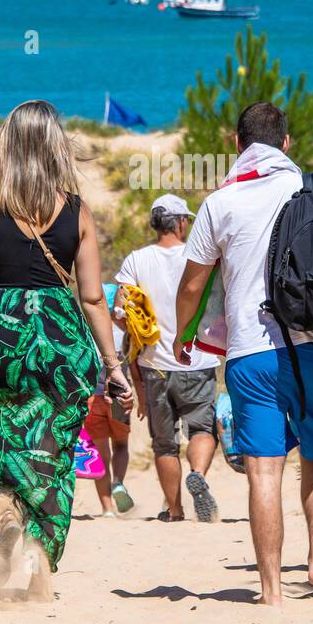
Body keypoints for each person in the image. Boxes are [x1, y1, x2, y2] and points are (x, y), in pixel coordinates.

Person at [173, 103, 313, 606]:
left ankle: (271, 591)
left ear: (236, 143)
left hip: (251, 352)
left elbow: (192, 284)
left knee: (264, 469)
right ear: (287, 144)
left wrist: (184, 333)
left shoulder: (220, 202)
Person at [0, 100, 131, 598]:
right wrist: (114, 366)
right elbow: (91, 297)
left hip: (1, 337)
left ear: (7, 143)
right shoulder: (76, 209)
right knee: (55, 448)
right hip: (62, 342)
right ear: (56, 147)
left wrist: (2, 306)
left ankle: (7, 513)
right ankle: (40, 569)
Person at [114, 194, 220, 522]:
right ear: (179, 223)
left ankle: (174, 511)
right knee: (202, 428)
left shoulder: (136, 260)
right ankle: (198, 473)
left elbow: (119, 312)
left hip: (154, 365)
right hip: (197, 358)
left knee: (164, 444)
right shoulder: (199, 255)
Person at [85, 283, 135, 516]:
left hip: (90, 397)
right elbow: (134, 365)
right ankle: (118, 482)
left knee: (99, 451)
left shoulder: (86, 331)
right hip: (118, 395)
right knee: (121, 445)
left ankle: (106, 509)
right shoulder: (124, 332)